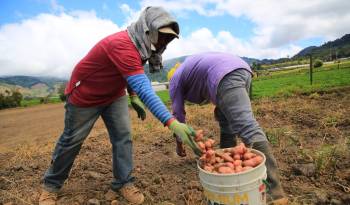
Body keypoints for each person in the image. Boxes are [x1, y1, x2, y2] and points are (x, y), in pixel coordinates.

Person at [39, 6, 200, 205]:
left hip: (113, 95)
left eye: (170, 38)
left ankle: (123, 182)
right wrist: (172, 122)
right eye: (163, 35)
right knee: (72, 140)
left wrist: (131, 95)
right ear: (148, 29)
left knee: (123, 137)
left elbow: (128, 75)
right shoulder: (122, 44)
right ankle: (51, 186)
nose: (165, 41)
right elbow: (143, 86)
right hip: (85, 96)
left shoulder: (141, 46)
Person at [168, 52, 289, 205]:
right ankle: (228, 168)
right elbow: (208, 81)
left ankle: (275, 194)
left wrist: (179, 144)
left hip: (225, 76)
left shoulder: (175, 81)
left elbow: (178, 116)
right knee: (226, 122)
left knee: (246, 126)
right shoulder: (189, 67)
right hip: (241, 69)